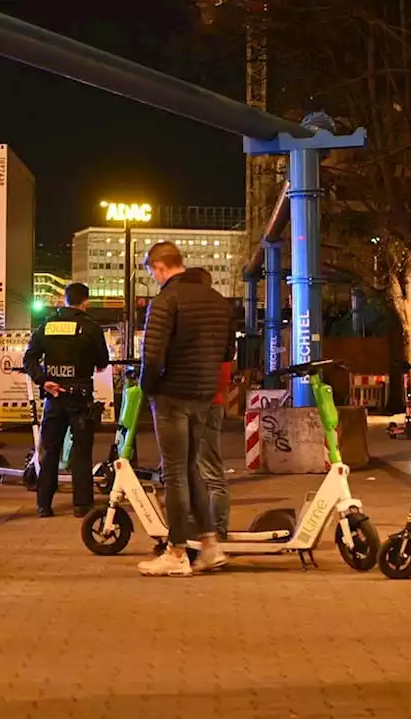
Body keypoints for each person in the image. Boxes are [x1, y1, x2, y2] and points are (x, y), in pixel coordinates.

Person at [136, 242, 234, 577]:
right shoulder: (218, 301)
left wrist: (147, 388)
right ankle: (210, 545)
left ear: (160, 266)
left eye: (151, 270)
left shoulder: (166, 300)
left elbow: (152, 356)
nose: (152, 276)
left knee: (174, 474)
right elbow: (226, 352)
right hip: (204, 396)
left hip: (172, 397)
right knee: (193, 469)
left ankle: (176, 551)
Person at [22, 282, 110, 518]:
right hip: (79, 397)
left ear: (64, 300)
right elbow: (103, 361)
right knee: (81, 451)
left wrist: (43, 380)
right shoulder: (90, 327)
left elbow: (29, 359)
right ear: (85, 302)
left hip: (54, 396)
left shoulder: (46, 326)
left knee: (50, 451)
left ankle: (43, 505)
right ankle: (81, 505)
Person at [185, 267, 234, 538]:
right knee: (206, 469)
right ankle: (212, 528)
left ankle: (215, 531)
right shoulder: (222, 313)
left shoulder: (193, 317)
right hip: (215, 399)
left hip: (198, 401)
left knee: (209, 472)